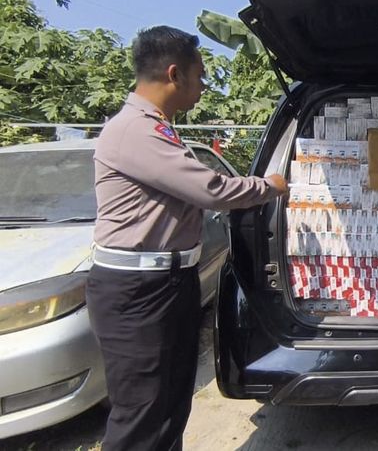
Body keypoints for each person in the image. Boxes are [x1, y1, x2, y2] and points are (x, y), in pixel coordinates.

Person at [87, 25, 288, 451]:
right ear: (174, 74)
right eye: (199, 77)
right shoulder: (135, 132)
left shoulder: (155, 128)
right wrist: (268, 187)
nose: (201, 88)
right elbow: (209, 189)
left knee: (170, 405)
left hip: (164, 284)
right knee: (142, 414)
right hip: (136, 293)